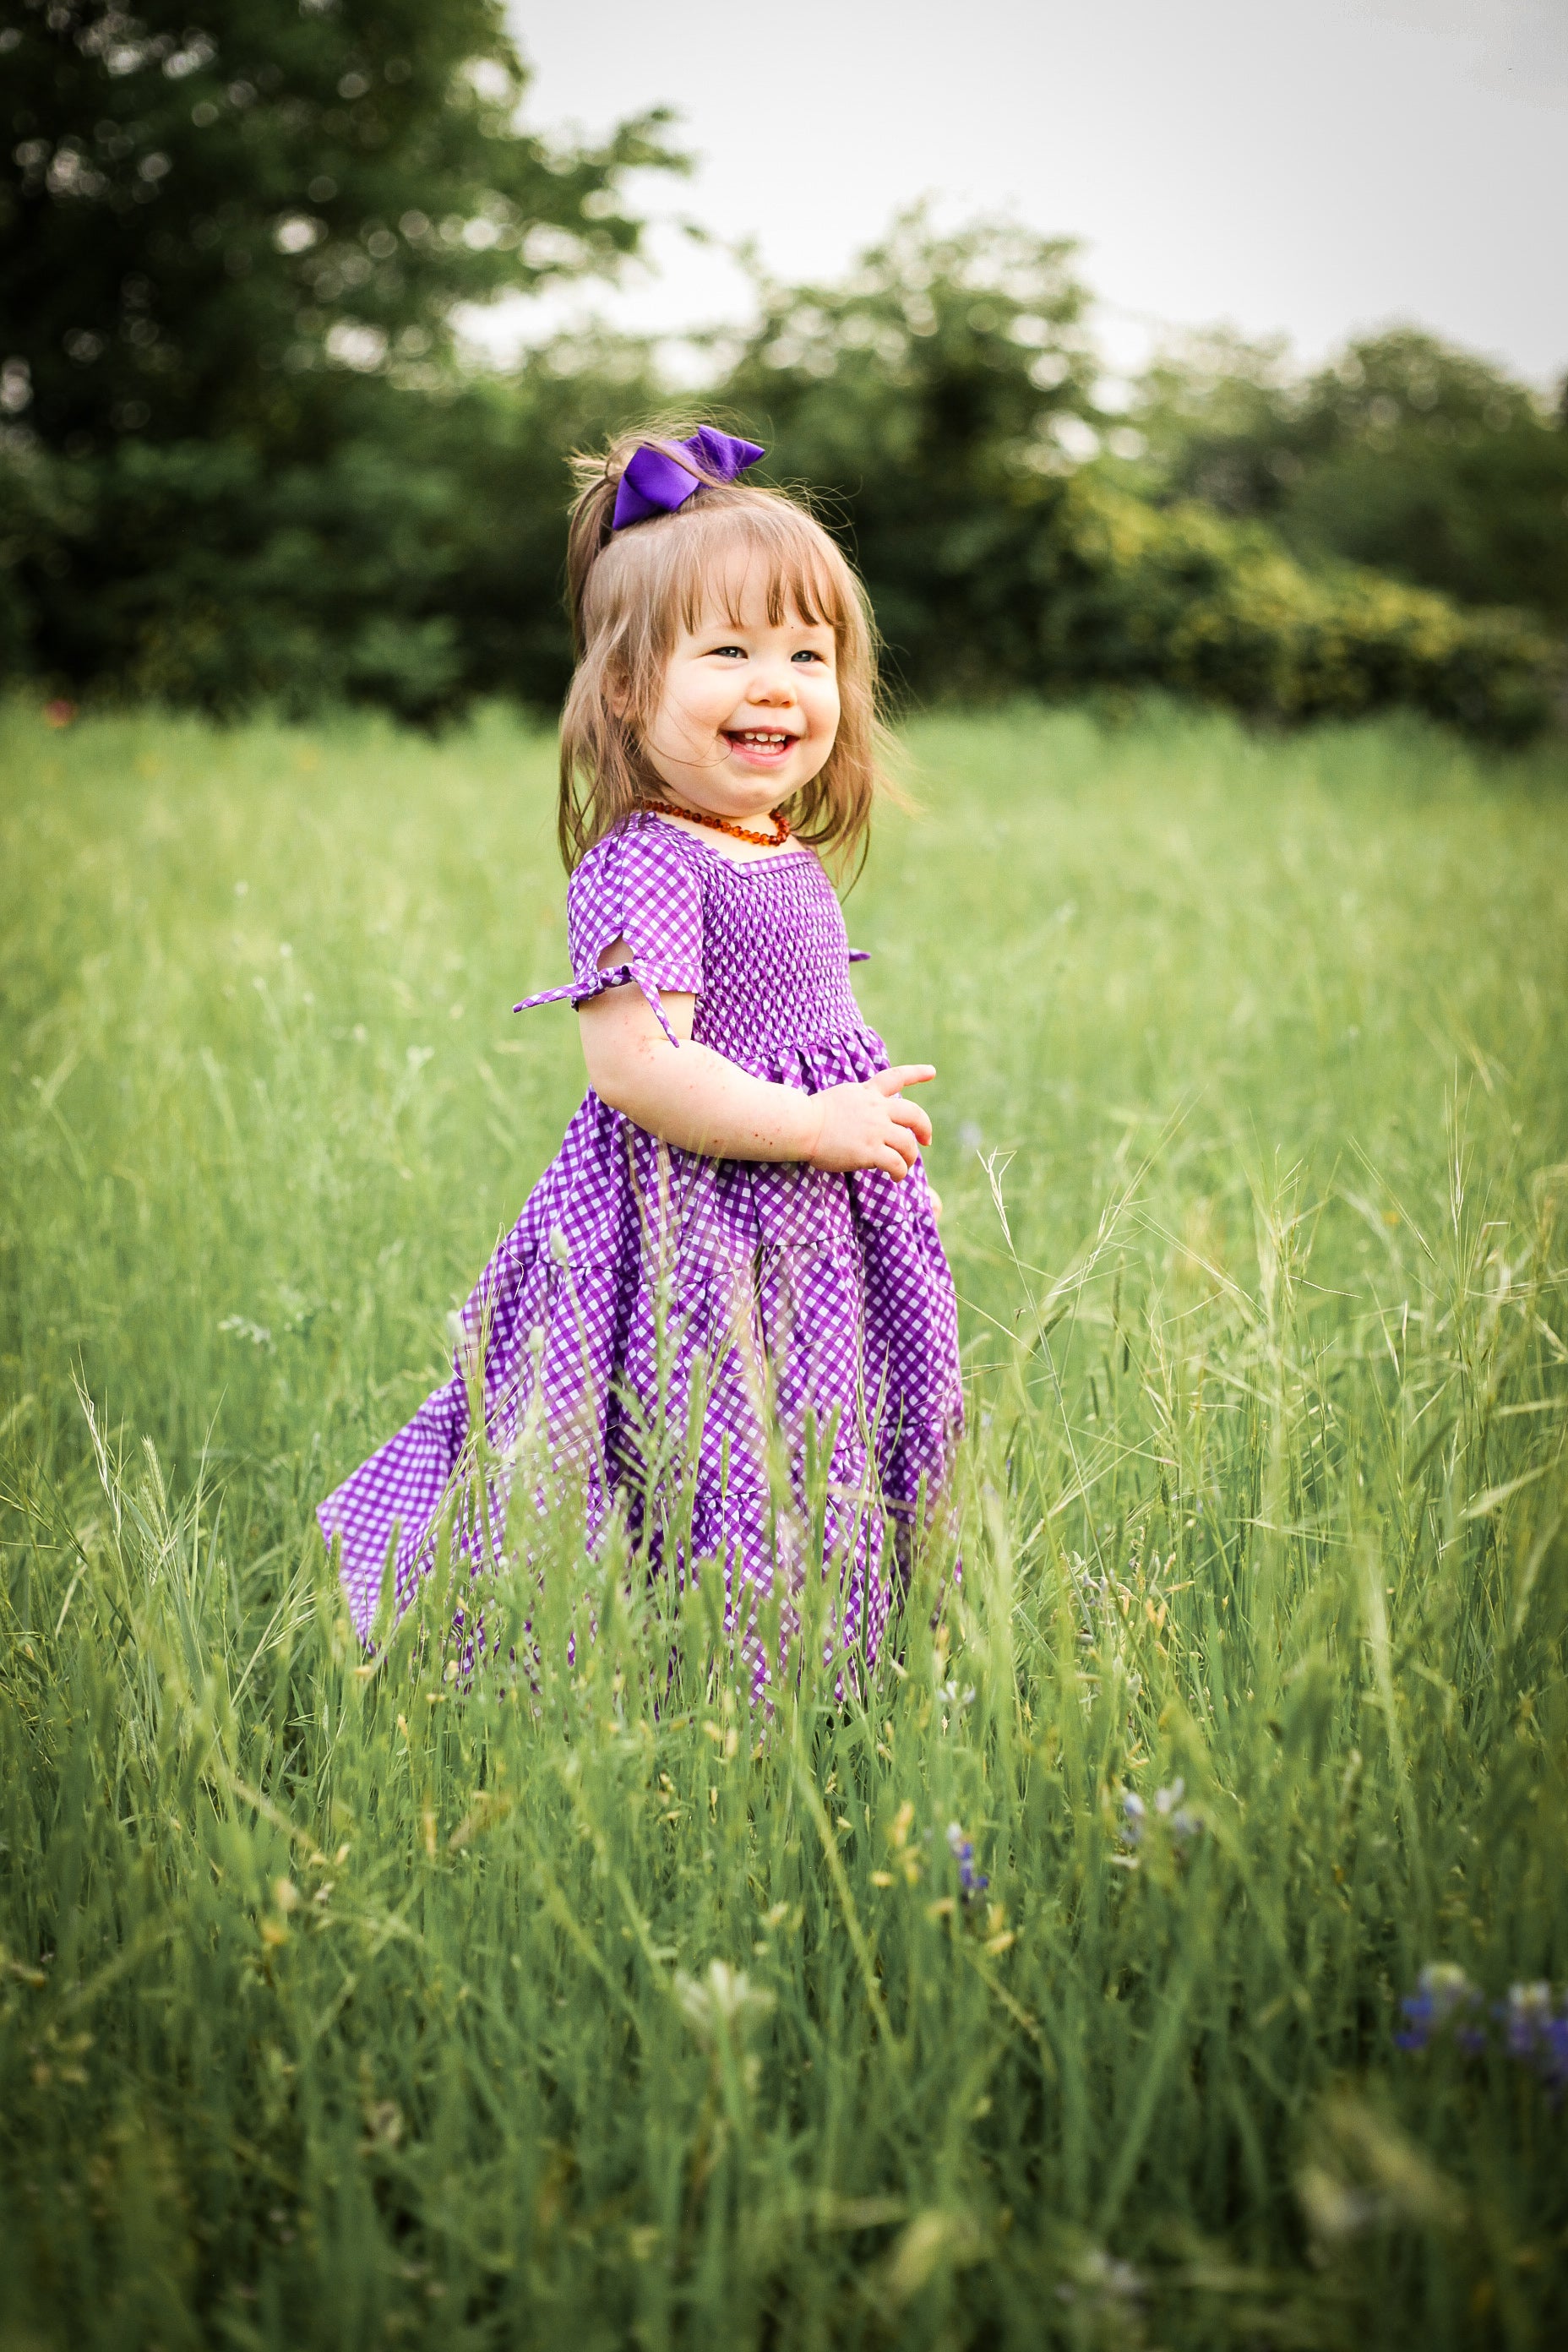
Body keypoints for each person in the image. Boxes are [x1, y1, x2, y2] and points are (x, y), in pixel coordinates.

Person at [318, 425, 962, 1685]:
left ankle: (842, 1677)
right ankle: (711, 1697)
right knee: (719, 1461)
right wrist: (820, 1128)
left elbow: (792, 1036)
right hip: (692, 1234)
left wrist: (854, 1136)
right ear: (624, 689)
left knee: (825, 1448)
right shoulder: (645, 861)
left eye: (806, 654)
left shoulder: (774, 848)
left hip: (810, 1228)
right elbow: (641, 1066)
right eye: (728, 651)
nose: (776, 684)